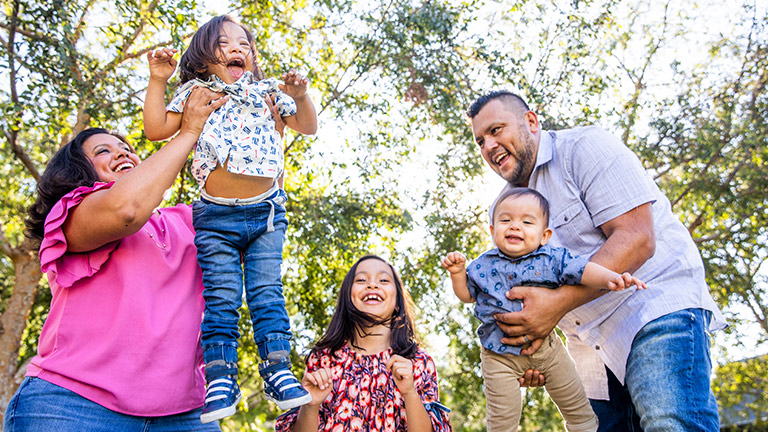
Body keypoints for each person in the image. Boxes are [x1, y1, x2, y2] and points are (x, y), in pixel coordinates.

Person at [466, 89, 727, 431]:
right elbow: (524, 297)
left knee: (671, 424)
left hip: (650, 308)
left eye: (496, 130)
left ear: (531, 121)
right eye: (480, 141)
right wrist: (526, 351)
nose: (488, 146)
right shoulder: (504, 210)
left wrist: (556, 306)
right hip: (587, 349)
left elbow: (637, 238)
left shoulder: (584, 148)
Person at [4, 89, 229, 431]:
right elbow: (126, 209)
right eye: (103, 151)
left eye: (126, 148)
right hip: (72, 406)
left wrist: (269, 128)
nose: (121, 151)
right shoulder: (72, 213)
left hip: (184, 416)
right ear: (79, 170)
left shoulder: (185, 221)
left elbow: (254, 211)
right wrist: (188, 132)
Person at [142, 15, 318, 422]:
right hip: (214, 216)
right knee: (221, 300)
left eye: (244, 44)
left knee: (266, 293)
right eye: (224, 43)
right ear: (204, 57)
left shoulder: (268, 90)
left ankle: (277, 368)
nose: (238, 49)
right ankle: (220, 377)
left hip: (267, 212)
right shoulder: (195, 92)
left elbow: (306, 128)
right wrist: (157, 80)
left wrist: (301, 95)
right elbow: (155, 129)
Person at [442, 187, 646, 431]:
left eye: (527, 221)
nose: (515, 226)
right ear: (492, 230)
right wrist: (457, 274)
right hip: (498, 357)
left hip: (548, 353)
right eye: (505, 220)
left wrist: (610, 278)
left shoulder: (552, 259)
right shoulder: (482, 265)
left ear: (544, 235)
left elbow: (583, 270)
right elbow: (467, 295)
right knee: (501, 422)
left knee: (579, 411)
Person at [274, 255, 452, 432]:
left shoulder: (419, 362)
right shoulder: (323, 359)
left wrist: (410, 393)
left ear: (398, 302)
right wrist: (310, 406)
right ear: (347, 297)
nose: (372, 284)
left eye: (383, 279)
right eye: (361, 279)